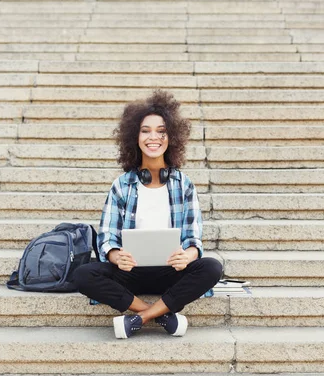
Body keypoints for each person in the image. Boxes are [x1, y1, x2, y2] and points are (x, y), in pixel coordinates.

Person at [73, 89, 223, 339]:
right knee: (83, 274)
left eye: (161, 131)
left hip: (170, 272)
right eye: (146, 130)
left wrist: (187, 256)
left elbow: (194, 238)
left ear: (171, 137)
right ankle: (162, 315)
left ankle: (139, 319)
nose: (153, 137)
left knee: (211, 268)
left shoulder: (183, 184)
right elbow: (107, 237)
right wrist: (115, 255)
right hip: (130, 272)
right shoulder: (122, 185)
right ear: (135, 137)